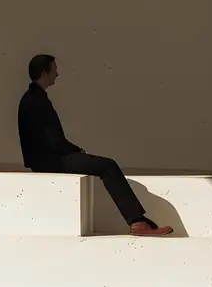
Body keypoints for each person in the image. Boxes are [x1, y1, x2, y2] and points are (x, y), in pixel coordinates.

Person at [18, 54, 173, 236]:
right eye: (54, 69)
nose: (57, 74)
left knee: (105, 165)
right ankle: (137, 222)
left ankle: (139, 220)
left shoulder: (32, 98)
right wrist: (76, 151)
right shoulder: (37, 101)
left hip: (44, 158)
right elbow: (53, 141)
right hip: (50, 160)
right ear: (44, 73)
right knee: (108, 166)